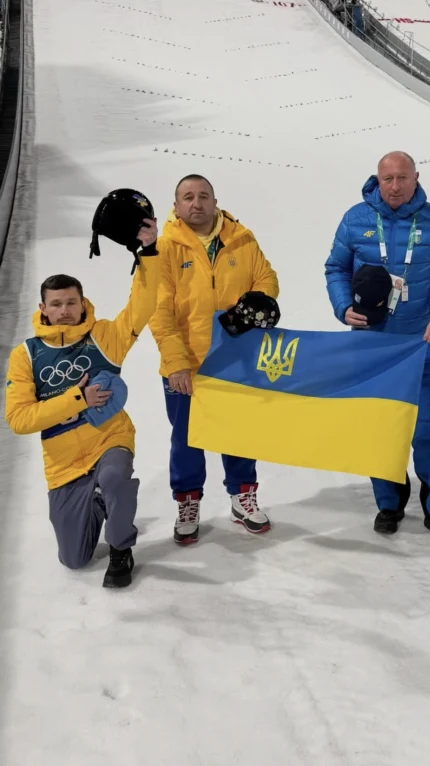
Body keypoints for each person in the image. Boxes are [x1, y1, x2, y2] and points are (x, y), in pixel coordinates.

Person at [4, 221, 160, 587]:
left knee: (114, 476)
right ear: (43, 307)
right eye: (56, 304)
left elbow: (143, 305)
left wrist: (148, 255)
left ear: (82, 301)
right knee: (74, 559)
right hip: (64, 463)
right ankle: (97, 501)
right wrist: (77, 398)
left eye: (71, 302)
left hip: (109, 439)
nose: (64, 310)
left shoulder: (105, 336)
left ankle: (121, 548)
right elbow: (19, 419)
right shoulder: (25, 355)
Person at [326, 150, 430, 543]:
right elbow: (336, 268)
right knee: (380, 426)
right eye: (387, 178)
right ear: (377, 179)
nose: (394, 186)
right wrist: (342, 306)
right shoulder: (355, 219)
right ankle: (389, 502)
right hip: (372, 347)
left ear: (416, 178)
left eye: (402, 178)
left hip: (420, 345)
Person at [149, 174, 280, 545]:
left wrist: (257, 301)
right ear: (176, 206)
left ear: (215, 201)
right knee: (187, 439)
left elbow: (265, 277)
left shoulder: (241, 238)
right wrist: (175, 363)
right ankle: (188, 502)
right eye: (188, 197)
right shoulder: (165, 249)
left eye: (203, 196)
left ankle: (242, 496)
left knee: (239, 432)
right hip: (185, 366)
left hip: (234, 361)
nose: (196, 203)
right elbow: (159, 312)